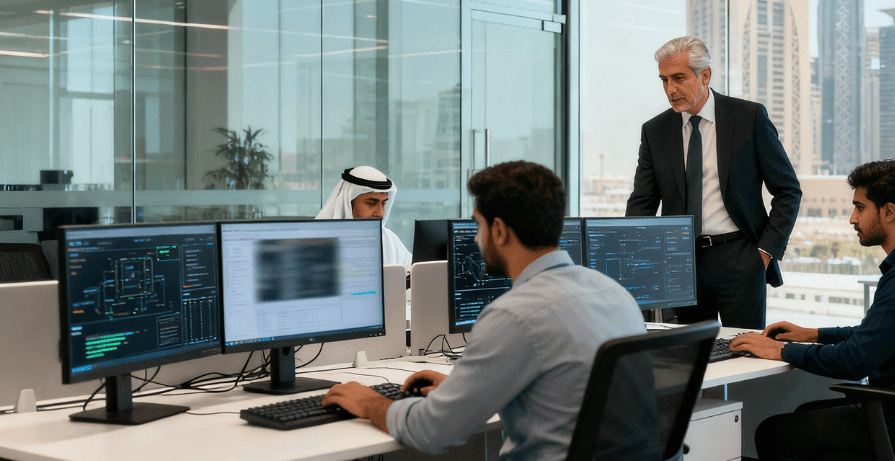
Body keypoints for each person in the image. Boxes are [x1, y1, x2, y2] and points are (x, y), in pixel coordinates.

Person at [322, 161, 646, 459]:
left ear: (500, 230)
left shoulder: (514, 316)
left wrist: (369, 403)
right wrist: (462, 389)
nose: (476, 239)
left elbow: (431, 431)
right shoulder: (615, 295)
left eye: (478, 226)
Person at [731, 159, 895, 460]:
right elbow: (878, 335)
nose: (852, 218)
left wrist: (779, 351)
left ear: (889, 212)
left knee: (775, 433)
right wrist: (811, 334)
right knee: (807, 412)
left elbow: (856, 360)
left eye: (860, 207)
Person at [626, 36, 802, 329]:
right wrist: (642, 261)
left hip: (740, 258)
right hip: (680, 262)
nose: (670, 89)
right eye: (664, 80)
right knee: (687, 357)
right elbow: (642, 202)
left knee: (745, 355)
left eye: (678, 78)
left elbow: (787, 191)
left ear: (704, 74)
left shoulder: (749, 117)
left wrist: (764, 253)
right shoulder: (655, 131)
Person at [316, 165, 412, 268]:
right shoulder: (320, 242)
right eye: (371, 203)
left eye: (383, 203)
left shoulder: (388, 239)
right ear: (348, 203)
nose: (380, 214)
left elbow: (413, 273)